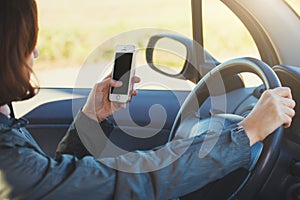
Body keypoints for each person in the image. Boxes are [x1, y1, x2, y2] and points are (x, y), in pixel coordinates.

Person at [0, 0, 296, 199]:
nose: (35, 53)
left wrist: (91, 118)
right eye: (26, 43)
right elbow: (125, 182)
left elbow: (63, 184)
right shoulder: (7, 158)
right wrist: (246, 134)